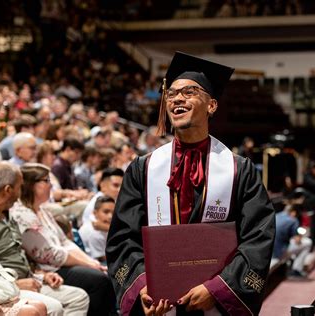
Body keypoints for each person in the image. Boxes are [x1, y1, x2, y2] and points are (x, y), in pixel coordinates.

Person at [106, 52, 276, 315]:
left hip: (214, 305)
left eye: (189, 92)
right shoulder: (143, 169)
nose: (177, 99)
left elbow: (258, 237)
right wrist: (142, 286)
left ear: (212, 106)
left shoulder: (238, 170)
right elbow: (122, 238)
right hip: (159, 306)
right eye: (172, 94)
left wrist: (218, 289)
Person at [0, 162, 90, 316]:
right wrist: (16, 284)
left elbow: (18, 254)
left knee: (79, 296)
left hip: (25, 279)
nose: (22, 192)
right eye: (20, 187)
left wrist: (40, 275)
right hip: (2, 286)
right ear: (8, 190)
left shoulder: (6, 210)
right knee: (53, 306)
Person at [10, 163, 116, 316]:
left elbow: (64, 241)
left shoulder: (41, 210)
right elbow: (48, 254)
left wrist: (92, 262)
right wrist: (87, 263)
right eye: (46, 181)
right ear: (31, 185)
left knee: (104, 274)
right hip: (48, 269)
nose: (51, 185)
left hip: (60, 264)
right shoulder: (22, 215)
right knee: (99, 281)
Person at [79, 196, 115, 262]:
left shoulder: (102, 223)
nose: (110, 216)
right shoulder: (94, 233)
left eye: (113, 213)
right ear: (95, 213)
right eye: (106, 212)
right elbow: (103, 259)